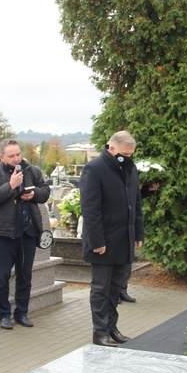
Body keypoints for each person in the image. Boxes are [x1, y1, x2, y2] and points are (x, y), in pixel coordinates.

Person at [80, 130, 144, 347]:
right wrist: (97, 241)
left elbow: (136, 203)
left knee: (116, 288)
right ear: (112, 147)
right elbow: (90, 208)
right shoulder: (95, 169)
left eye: (131, 154)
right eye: (125, 153)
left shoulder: (129, 168)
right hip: (104, 242)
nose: (128, 157)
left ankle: (112, 328)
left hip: (124, 238)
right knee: (101, 289)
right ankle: (100, 333)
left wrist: (139, 233)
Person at [0, 139, 50, 330]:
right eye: (11, 156)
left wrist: (34, 194)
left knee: (25, 275)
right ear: (1, 156)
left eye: (18, 154)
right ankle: (3, 314)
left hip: (27, 232)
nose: (16, 159)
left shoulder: (31, 170)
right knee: (1, 276)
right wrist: (11, 186)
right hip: (4, 234)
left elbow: (45, 191)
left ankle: (22, 312)